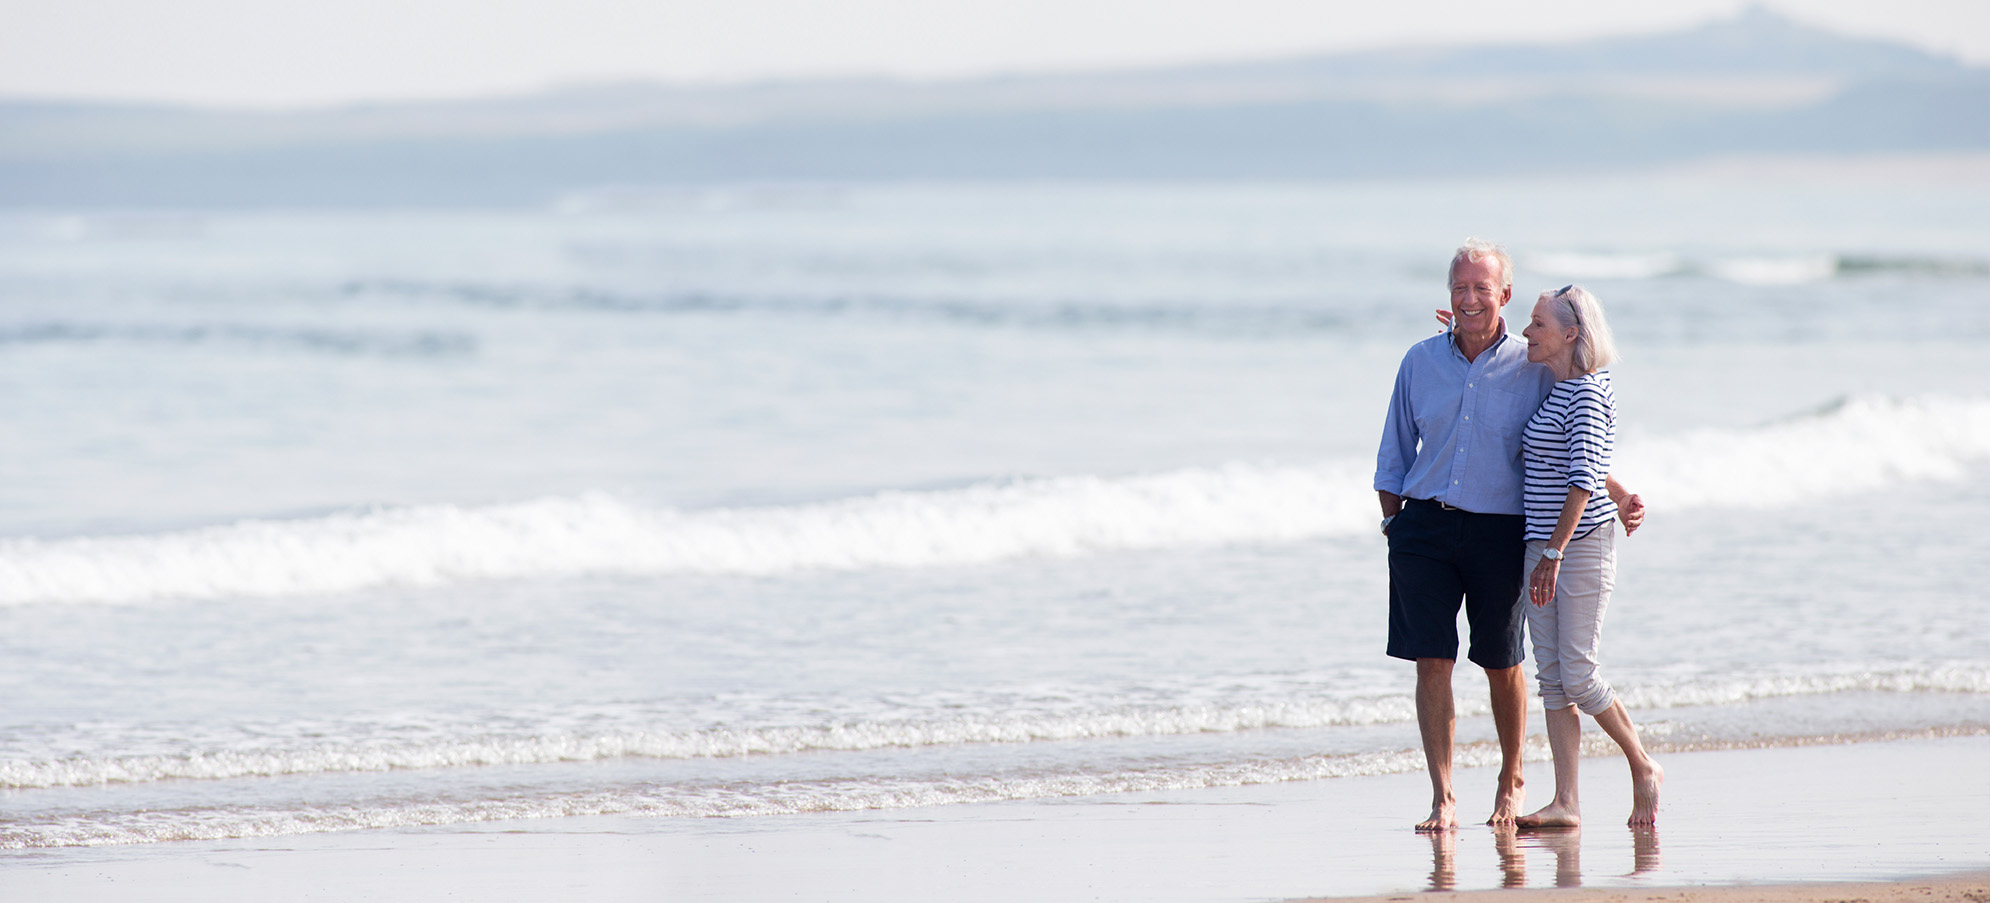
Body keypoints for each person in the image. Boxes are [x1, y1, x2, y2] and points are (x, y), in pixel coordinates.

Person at [1375, 239, 1643, 832]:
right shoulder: (1419, 360)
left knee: (1503, 662)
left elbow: (1574, 441)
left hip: (1502, 532)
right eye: (1459, 289)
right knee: (1431, 661)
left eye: (1481, 289)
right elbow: (1393, 453)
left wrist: (1616, 492)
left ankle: (1511, 778)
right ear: (1449, 295)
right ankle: (1443, 797)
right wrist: (1395, 523)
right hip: (1422, 528)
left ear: (1505, 295)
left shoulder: (1534, 361)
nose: (1469, 299)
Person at [1513, 284, 1662, 829]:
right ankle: (1567, 803)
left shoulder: (1591, 392)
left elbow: (1580, 482)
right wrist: (1621, 492)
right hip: (1541, 545)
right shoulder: (1556, 388)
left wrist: (1553, 552)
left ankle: (1644, 766)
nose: (1527, 332)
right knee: (1552, 678)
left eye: (1537, 324)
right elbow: (1587, 463)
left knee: (1578, 672)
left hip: (1576, 546)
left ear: (1571, 334)